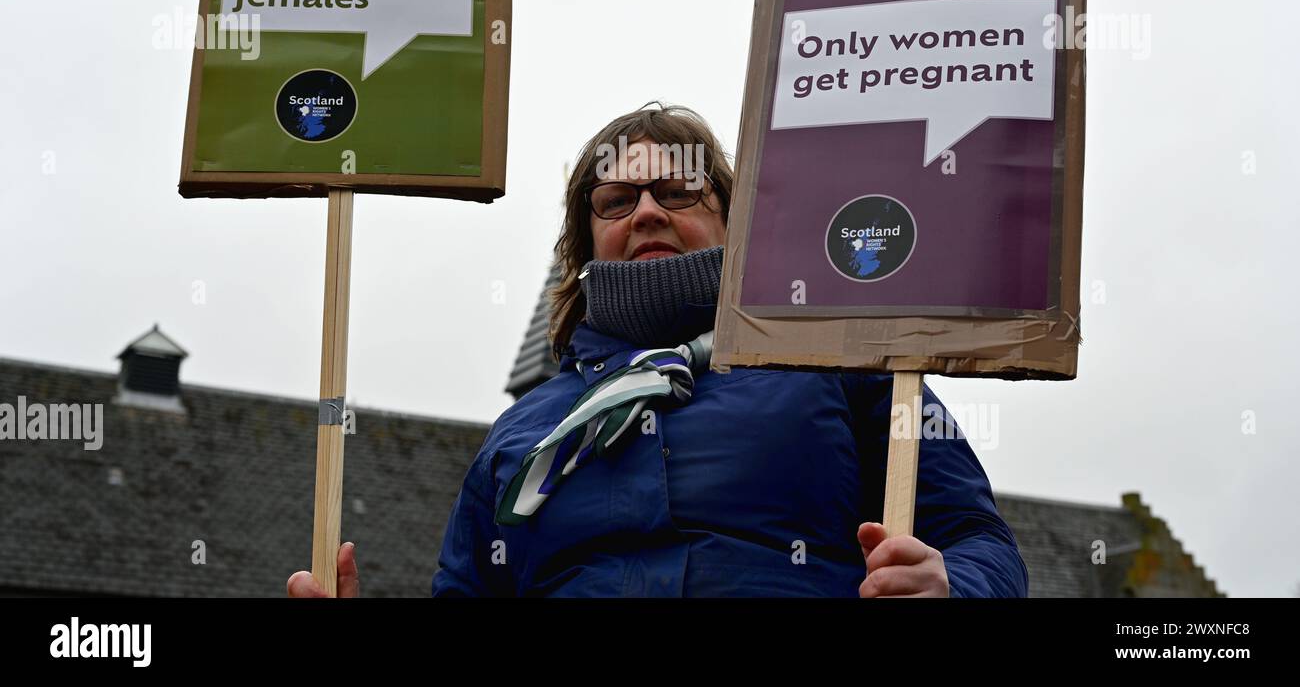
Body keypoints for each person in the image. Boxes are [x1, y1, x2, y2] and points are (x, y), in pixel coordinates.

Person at [289, 102, 1029, 598]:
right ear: (589, 240)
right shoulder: (517, 437)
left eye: (677, 192)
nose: (645, 211)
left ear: (732, 222)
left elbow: (977, 539)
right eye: (616, 201)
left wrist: (949, 586)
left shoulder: (847, 368)